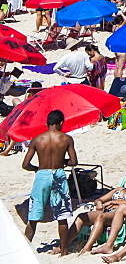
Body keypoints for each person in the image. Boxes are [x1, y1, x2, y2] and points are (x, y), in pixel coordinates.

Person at [23, 110, 77, 256]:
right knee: (62, 215)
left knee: (34, 214)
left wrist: (37, 169)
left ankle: (25, 248)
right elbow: (74, 162)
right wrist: (63, 162)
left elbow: (25, 164)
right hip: (58, 174)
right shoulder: (66, 139)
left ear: (47, 123)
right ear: (60, 123)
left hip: (42, 175)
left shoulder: (37, 139)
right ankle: (64, 250)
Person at [71, 166, 126, 253]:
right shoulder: (119, 189)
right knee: (81, 216)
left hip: (121, 215)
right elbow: (99, 199)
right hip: (106, 212)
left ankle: (87, 248)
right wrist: (99, 203)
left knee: (101, 216)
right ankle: (63, 245)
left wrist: (112, 202)